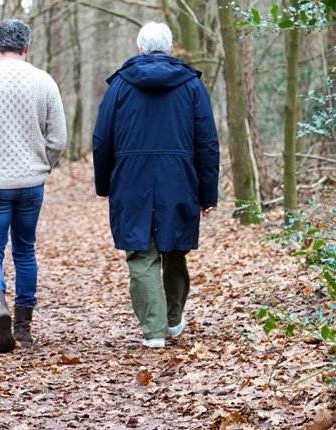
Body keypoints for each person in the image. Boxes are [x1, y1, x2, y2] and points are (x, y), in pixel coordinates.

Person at [92, 22, 220, 349]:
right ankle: (173, 319)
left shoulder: (120, 86)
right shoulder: (191, 86)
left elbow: (101, 141)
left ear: (140, 49)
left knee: (141, 254)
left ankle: (155, 331)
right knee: (174, 250)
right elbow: (207, 143)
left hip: (131, 182)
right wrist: (208, 193)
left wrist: (105, 184)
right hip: (179, 181)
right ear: (171, 48)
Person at [0, 19, 68, 353]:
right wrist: (44, 164)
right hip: (31, 182)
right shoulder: (44, 81)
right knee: (25, 250)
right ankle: (22, 328)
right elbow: (59, 139)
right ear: (27, 47)